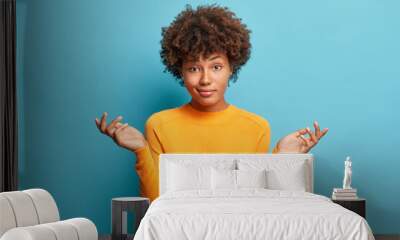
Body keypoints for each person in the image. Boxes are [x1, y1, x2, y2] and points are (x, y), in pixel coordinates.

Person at [95, 4, 328, 202]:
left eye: (216, 67)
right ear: (181, 72)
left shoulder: (256, 127)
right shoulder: (159, 124)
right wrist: (141, 151)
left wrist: (281, 157)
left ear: (231, 69)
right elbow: (158, 202)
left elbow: (256, 200)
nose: (205, 79)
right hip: (180, 232)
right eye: (194, 68)